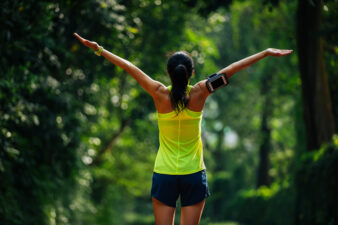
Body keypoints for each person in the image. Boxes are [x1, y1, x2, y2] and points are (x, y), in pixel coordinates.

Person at [74, 32, 293, 225]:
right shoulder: (201, 92)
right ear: (192, 72)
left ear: (169, 73)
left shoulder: (159, 93)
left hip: (164, 175)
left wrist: (99, 49)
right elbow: (231, 70)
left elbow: (130, 68)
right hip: (193, 175)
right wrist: (264, 53)